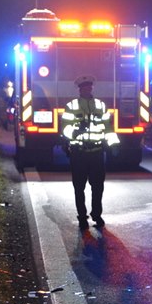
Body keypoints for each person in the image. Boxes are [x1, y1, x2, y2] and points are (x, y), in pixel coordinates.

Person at [61, 75, 120, 229]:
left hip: (97, 151)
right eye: (84, 87)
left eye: (89, 87)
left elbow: (108, 127)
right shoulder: (71, 106)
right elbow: (64, 129)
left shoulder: (101, 106)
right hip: (79, 152)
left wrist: (113, 144)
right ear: (80, 89)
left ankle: (97, 214)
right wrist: (75, 132)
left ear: (92, 88)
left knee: (98, 186)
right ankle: (82, 216)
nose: (87, 89)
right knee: (79, 187)